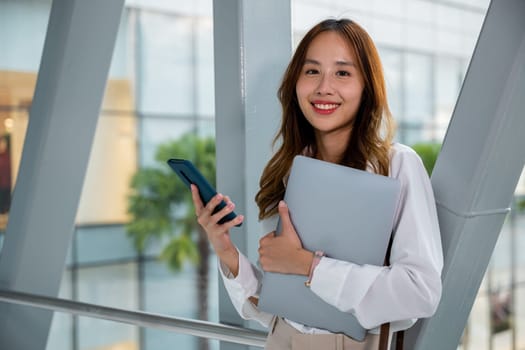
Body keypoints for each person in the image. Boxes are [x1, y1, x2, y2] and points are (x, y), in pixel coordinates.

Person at [191, 18, 443, 350]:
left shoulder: (395, 165)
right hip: (282, 340)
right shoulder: (291, 167)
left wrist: (310, 266)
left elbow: (420, 292)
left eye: (342, 73)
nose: (324, 87)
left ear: (367, 86)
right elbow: (281, 304)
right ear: (295, 83)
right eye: (312, 71)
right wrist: (225, 249)